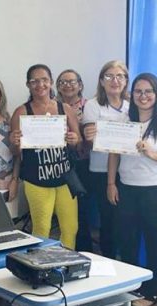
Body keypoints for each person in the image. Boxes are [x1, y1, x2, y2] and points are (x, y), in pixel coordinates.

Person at [107, 73, 157, 306]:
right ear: (132, 94)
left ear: (156, 94)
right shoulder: (124, 121)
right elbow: (113, 154)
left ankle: (151, 292)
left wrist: (151, 153)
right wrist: (111, 183)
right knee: (127, 241)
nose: (143, 96)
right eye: (138, 91)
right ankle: (130, 288)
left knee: (152, 241)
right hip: (127, 188)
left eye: (148, 91)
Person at [9, 64, 81, 249]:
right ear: (28, 84)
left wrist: (74, 139)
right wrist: (15, 142)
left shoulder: (65, 108)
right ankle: (40, 270)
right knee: (41, 229)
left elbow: (79, 142)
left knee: (70, 227)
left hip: (65, 178)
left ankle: (66, 265)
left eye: (44, 80)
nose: (40, 84)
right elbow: (16, 153)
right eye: (34, 81)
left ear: (50, 82)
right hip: (37, 179)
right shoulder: (22, 112)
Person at [81, 60, 130, 258]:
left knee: (124, 219)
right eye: (109, 76)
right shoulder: (93, 105)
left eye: (120, 76)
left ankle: (125, 260)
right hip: (101, 171)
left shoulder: (132, 105)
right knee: (108, 218)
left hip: (127, 171)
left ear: (126, 80)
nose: (115, 81)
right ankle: (109, 259)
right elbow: (91, 140)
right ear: (101, 81)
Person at [56, 69, 93, 252]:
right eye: (63, 82)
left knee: (82, 211)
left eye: (72, 81)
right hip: (59, 165)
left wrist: (78, 140)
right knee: (65, 213)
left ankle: (84, 249)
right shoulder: (51, 106)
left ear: (80, 85)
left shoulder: (90, 106)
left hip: (83, 164)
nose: (67, 85)